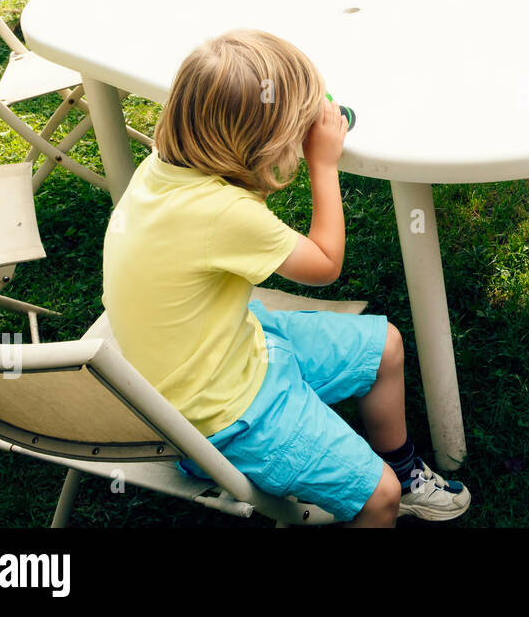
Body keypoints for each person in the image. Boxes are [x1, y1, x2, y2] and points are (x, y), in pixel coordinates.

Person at [102, 28, 469, 527]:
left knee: (386, 345)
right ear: (261, 141)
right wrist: (323, 162)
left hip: (223, 347)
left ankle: (404, 474)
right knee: (376, 498)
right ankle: (392, 489)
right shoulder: (222, 212)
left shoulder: (165, 170)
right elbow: (324, 265)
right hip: (218, 417)